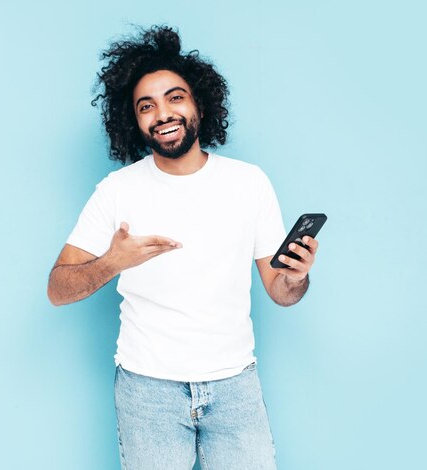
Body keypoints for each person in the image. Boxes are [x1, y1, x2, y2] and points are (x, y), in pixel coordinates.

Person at [47, 25, 319, 470]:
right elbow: (58, 288)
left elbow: (280, 292)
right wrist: (113, 262)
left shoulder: (248, 183)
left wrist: (297, 274)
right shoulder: (117, 191)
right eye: (146, 105)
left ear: (198, 104)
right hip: (147, 392)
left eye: (175, 97)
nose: (162, 113)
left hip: (235, 387)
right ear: (133, 121)